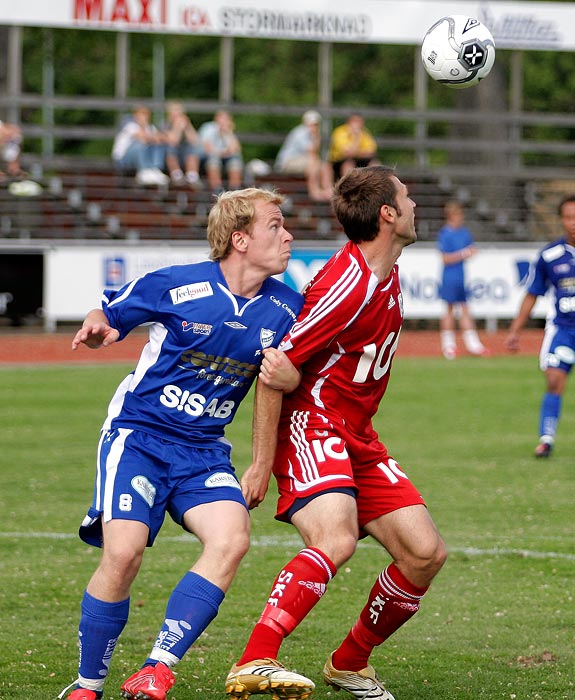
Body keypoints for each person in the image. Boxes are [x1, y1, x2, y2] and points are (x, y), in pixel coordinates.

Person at [59, 187, 304, 700]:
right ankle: (86, 685)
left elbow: (288, 380)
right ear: (240, 239)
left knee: (232, 539)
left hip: (205, 449)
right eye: (276, 226)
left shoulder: (288, 308)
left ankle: (157, 668)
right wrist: (98, 324)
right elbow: (110, 311)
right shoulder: (179, 284)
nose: (288, 235)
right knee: (123, 553)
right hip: (140, 435)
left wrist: (263, 461)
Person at [226, 165, 447, 700]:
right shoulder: (347, 285)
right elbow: (278, 369)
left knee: (424, 553)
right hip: (313, 423)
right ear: (388, 215)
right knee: (336, 539)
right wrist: (259, 463)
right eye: (407, 197)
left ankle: (349, 664)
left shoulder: (386, 271)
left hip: (357, 434)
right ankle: (254, 659)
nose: (416, 204)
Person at [505, 194, 575, 458]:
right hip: (563, 330)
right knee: (555, 379)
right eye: (568, 217)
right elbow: (532, 293)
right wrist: (515, 330)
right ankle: (546, 439)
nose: (573, 222)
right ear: (561, 220)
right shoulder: (550, 255)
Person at [436, 201, 489, 359]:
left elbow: (471, 249)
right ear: (451, 216)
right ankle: (448, 345)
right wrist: (464, 253)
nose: (461, 218)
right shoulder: (445, 233)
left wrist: (468, 253)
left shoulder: (464, 232)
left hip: (461, 276)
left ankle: (473, 344)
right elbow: (445, 258)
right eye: (458, 215)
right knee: (450, 309)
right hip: (449, 277)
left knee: (465, 308)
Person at [275, 110, 333, 202]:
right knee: (313, 162)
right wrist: (316, 139)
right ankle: (314, 192)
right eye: (313, 124)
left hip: (303, 161)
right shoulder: (300, 133)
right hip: (288, 162)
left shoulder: (312, 134)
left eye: (316, 124)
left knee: (325, 165)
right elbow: (311, 152)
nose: (315, 126)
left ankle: (328, 190)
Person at [112, 105, 169, 186]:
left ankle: (155, 169)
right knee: (141, 143)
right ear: (135, 115)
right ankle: (144, 171)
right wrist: (153, 136)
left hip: (144, 156)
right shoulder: (130, 125)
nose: (144, 117)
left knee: (158, 144)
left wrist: (156, 138)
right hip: (123, 159)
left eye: (146, 114)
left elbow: (161, 138)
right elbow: (142, 136)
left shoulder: (150, 127)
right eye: (142, 114)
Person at [198, 110, 243, 192]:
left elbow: (236, 149)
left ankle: (235, 191)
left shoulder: (230, 131)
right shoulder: (208, 128)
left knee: (235, 163)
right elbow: (207, 148)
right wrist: (222, 153)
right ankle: (217, 191)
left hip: (226, 158)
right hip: (210, 157)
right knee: (213, 162)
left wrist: (229, 133)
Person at [162, 101, 203, 186]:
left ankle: (192, 176)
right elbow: (173, 141)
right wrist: (177, 127)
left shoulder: (186, 125)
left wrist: (188, 127)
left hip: (185, 156)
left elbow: (195, 140)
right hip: (169, 157)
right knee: (171, 148)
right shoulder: (164, 125)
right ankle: (176, 175)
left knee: (191, 147)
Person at [329, 113, 378, 181]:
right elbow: (346, 153)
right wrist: (356, 138)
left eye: (359, 121)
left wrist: (355, 152)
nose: (357, 124)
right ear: (349, 122)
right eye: (355, 121)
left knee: (375, 164)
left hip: (359, 160)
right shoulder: (340, 132)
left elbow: (371, 152)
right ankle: (350, 188)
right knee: (348, 164)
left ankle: (373, 187)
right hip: (339, 162)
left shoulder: (365, 133)